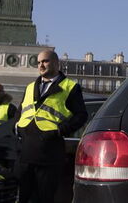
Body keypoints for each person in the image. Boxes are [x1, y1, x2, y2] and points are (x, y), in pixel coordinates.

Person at [16, 49, 87, 203]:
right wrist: (17, 129)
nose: (41, 65)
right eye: (39, 62)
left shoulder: (70, 87)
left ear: (56, 63)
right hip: (26, 152)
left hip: (50, 153)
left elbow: (81, 115)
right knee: (24, 198)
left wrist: (60, 131)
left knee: (45, 198)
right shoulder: (30, 87)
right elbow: (20, 111)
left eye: (45, 61)